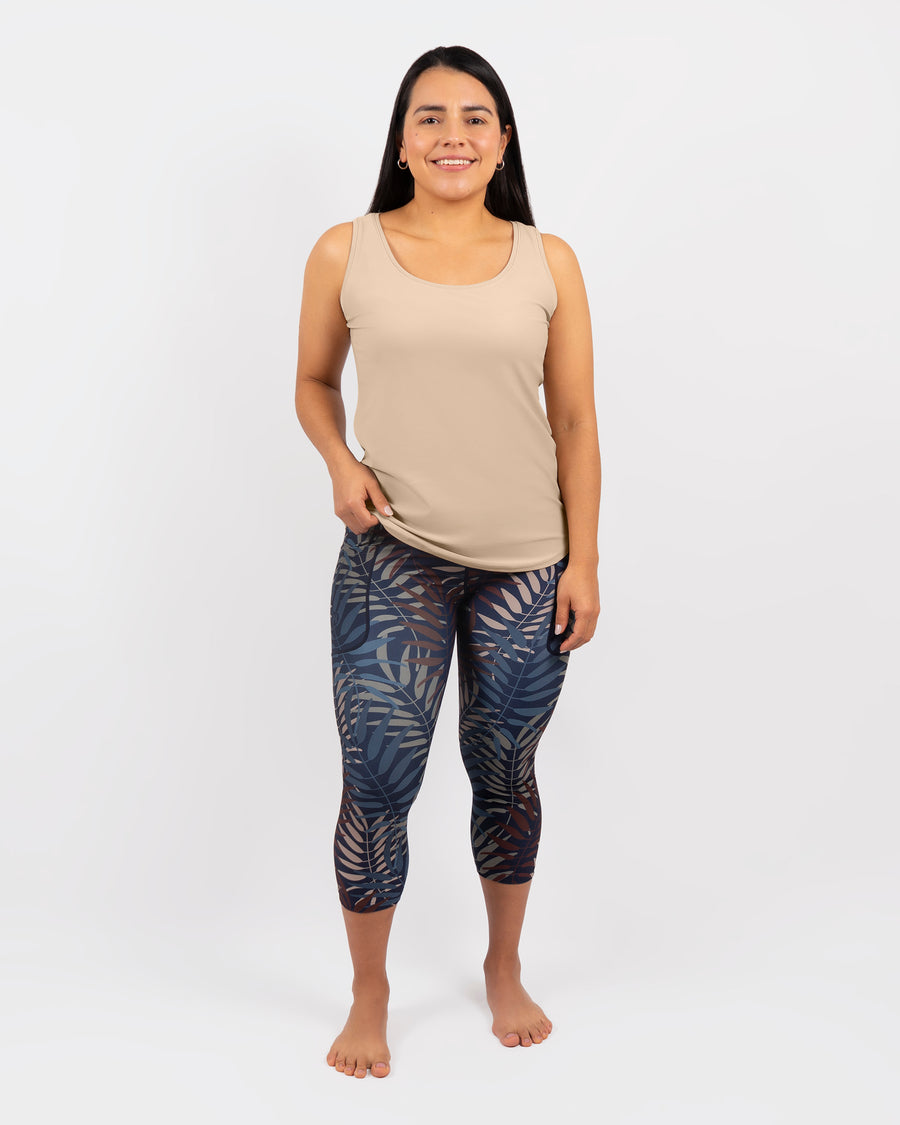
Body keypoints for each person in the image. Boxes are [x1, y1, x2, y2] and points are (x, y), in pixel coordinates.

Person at [294, 45, 601, 1079]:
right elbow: (312, 382)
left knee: (504, 773)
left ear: (503, 142)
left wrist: (584, 562)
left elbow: (575, 423)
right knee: (378, 776)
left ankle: (502, 966)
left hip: (529, 564)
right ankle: (369, 990)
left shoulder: (549, 261)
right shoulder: (346, 250)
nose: (452, 135)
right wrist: (340, 462)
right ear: (402, 141)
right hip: (396, 553)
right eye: (430, 117)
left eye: (475, 118)